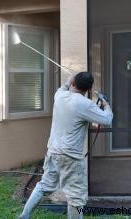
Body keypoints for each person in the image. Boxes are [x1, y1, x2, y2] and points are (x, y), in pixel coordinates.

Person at [18, 72, 113, 219]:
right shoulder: (85, 104)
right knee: (76, 196)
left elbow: (63, 89)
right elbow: (107, 119)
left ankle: (24, 216)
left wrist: (68, 81)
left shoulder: (60, 96)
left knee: (44, 185)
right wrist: (105, 103)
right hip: (70, 157)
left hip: (53, 152)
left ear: (73, 83)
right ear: (88, 89)